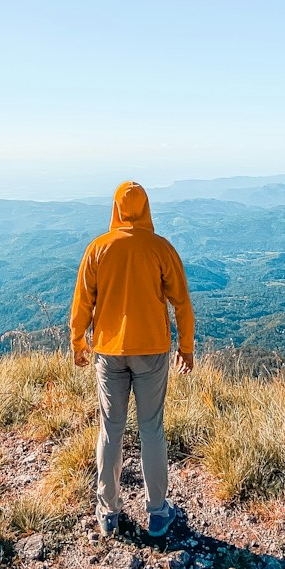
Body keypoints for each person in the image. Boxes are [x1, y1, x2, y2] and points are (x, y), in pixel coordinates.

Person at [69, 180, 195, 538]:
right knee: (151, 428)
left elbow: (83, 303)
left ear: (117, 209)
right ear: (146, 208)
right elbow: (181, 302)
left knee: (111, 429)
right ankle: (157, 513)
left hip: (108, 351)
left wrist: (78, 340)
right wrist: (186, 347)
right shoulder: (160, 249)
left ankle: (108, 511)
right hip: (152, 350)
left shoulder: (98, 248)